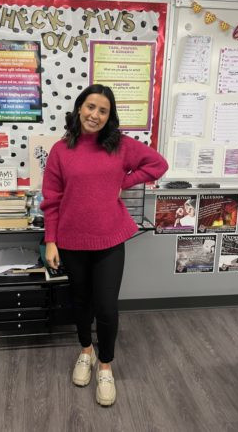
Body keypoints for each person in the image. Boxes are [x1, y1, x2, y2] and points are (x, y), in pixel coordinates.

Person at [41, 84, 168, 406]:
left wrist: (121, 181)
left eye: (103, 110)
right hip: (71, 240)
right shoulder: (60, 150)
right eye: (90, 107)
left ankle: (106, 366)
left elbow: (157, 165)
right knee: (80, 302)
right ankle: (86, 351)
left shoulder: (120, 146)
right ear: (79, 108)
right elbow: (51, 200)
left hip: (109, 239)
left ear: (109, 117)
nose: (95, 115)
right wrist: (51, 240)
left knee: (107, 308)